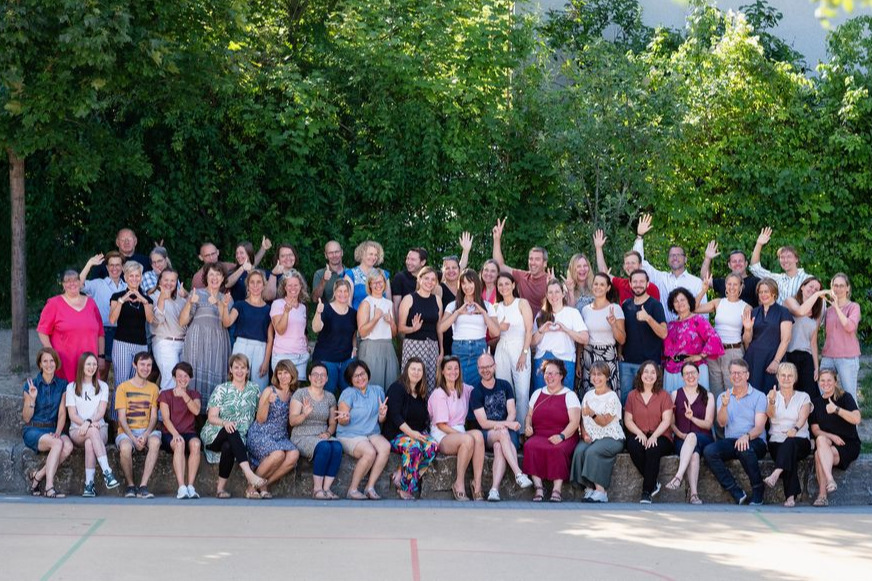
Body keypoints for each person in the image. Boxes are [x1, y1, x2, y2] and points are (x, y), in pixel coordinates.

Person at [200, 354, 267, 498]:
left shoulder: (254, 389)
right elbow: (211, 417)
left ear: (248, 370)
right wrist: (225, 422)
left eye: (243, 367)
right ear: (230, 370)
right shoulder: (222, 389)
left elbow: (260, 413)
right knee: (231, 430)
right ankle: (250, 475)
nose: (239, 371)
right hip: (215, 433)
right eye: (236, 367)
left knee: (229, 446)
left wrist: (268, 401)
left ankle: (220, 489)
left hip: (237, 438)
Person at [703, 359, 768, 505]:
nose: (736, 376)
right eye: (733, 373)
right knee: (709, 451)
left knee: (745, 449)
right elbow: (721, 423)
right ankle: (735, 490)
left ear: (747, 375)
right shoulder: (723, 396)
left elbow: (759, 427)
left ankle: (758, 490)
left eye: (739, 373)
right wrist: (724, 406)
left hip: (754, 440)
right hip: (732, 440)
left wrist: (747, 436)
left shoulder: (759, 396)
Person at [470, 353, 533, 501]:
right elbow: (483, 423)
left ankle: (494, 490)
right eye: (482, 367)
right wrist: (507, 425)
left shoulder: (505, 385)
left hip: (506, 434)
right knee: (501, 433)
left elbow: (512, 412)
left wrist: (506, 424)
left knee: (499, 446)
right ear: (478, 369)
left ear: (495, 366)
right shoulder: (476, 392)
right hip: (488, 434)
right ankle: (518, 473)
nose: (486, 370)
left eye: (489, 366)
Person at [428, 357, 488, 501]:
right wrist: (463, 435)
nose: (453, 372)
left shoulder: (464, 388)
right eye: (449, 368)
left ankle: (477, 484)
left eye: (456, 368)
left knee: (478, 436)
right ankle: (459, 483)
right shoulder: (439, 393)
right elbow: (441, 425)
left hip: (459, 432)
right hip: (442, 435)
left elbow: (481, 390)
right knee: (468, 439)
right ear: (442, 371)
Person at [524, 359, 582, 503]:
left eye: (553, 374)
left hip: (565, 434)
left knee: (558, 449)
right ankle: (538, 488)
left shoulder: (570, 395)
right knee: (530, 446)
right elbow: (529, 415)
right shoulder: (537, 393)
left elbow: (575, 422)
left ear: (561, 375)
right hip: (540, 434)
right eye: (546, 373)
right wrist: (528, 426)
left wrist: (561, 436)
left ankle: (557, 489)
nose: (549, 376)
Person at [383, 358, 439, 500]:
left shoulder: (420, 393)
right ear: (406, 370)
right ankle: (405, 489)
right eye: (413, 369)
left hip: (414, 434)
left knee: (432, 446)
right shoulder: (397, 388)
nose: (416, 372)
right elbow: (395, 416)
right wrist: (412, 434)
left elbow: (421, 421)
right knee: (414, 447)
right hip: (396, 435)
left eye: (419, 370)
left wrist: (420, 435)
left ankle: (402, 472)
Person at [65, 352, 120, 497]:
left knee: (91, 441)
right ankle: (107, 472)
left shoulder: (103, 386)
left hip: (99, 428)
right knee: (91, 434)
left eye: (94, 364)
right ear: (82, 365)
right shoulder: (71, 387)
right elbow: (72, 415)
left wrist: (89, 423)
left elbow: (101, 412)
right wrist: (85, 424)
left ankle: (89, 486)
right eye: (88, 364)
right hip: (77, 430)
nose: (92, 367)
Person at [22, 348, 74, 498]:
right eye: (45, 361)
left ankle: (37, 476)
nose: (49, 364)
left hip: (53, 428)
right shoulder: (31, 385)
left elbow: (62, 412)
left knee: (68, 445)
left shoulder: (63, 385)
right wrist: (32, 398)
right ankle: (49, 487)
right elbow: (26, 418)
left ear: (56, 363)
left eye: (52, 361)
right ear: (40, 364)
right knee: (58, 444)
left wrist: (58, 432)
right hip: (34, 430)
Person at [633, 214, 706, 321]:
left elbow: (704, 314)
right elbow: (639, 262)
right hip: (664, 332)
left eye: (678, 255)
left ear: (685, 259)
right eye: (672, 255)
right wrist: (639, 236)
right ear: (668, 259)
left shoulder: (696, 282)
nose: (675, 258)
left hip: (689, 335)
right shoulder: (660, 278)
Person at [37, 269, 105, 382]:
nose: (72, 283)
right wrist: (51, 355)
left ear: (80, 282)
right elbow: (42, 331)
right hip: (64, 362)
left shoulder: (91, 303)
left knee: (88, 394)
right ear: (63, 285)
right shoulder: (54, 303)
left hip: (89, 363)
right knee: (66, 396)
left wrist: (101, 357)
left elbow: (100, 333)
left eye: (75, 280)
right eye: (68, 281)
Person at [570, 361, 624, 503]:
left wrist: (592, 413)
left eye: (599, 374)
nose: (596, 378)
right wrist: (584, 433)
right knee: (579, 451)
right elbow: (582, 419)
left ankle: (601, 491)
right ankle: (589, 487)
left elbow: (605, 421)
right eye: (593, 374)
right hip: (592, 436)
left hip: (611, 437)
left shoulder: (612, 397)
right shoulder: (588, 395)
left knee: (592, 452)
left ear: (607, 377)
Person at [246, 359, 300, 499]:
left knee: (294, 454)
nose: (282, 376)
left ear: (292, 374)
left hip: (280, 436)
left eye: (286, 373)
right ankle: (251, 486)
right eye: (280, 373)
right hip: (260, 433)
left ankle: (263, 484)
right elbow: (260, 419)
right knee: (278, 455)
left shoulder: (294, 394)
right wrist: (266, 402)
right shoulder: (270, 390)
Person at [336, 361, 391, 500]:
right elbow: (342, 420)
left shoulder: (377, 391)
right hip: (350, 434)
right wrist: (344, 418)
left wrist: (382, 415)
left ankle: (369, 487)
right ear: (350, 379)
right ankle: (352, 489)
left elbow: (380, 420)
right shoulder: (348, 393)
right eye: (355, 376)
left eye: (362, 374)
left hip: (372, 432)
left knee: (385, 447)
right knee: (370, 452)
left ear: (368, 374)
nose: (360, 378)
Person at [180, 264, 232, 406]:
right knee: (194, 373)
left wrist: (222, 305)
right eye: (211, 275)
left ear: (223, 278)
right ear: (206, 278)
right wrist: (189, 303)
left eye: (218, 275)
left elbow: (226, 323)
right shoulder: (197, 293)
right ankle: (192, 415)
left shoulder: (226, 298)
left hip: (218, 342)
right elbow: (182, 321)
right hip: (197, 340)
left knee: (215, 375)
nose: (214, 278)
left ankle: (211, 415)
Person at [694, 273, 751, 405]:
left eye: (735, 284)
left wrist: (747, 329)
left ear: (741, 286)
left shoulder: (746, 307)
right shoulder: (718, 302)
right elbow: (694, 308)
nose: (732, 287)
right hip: (714, 352)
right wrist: (704, 289)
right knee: (715, 392)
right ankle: (717, 425)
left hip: (733, 352)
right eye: (729, 284)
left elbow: (747, 339)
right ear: (725, 285)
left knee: (732, 391)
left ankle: (733, 424)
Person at [289, 362, 343, 499]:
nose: (319, 377)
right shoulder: (300, 394)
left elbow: (332, 423)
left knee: (337, 447)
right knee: (324, 447)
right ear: (309, 376)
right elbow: (292, 421)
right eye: (315, 374)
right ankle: (317, 489)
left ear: (326, 379)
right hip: (302, 434)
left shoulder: (330, 397)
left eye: (322, 375)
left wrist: (328, 433)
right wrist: (304, 414)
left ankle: (326, 489)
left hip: (322, 434)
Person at [810, 368, 861, 506]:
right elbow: (815, 430)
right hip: (828, 443)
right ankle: (830, 479)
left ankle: (822, 495)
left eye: (829, 380)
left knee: (818, 455)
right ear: (818, 382)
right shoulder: (816, 403)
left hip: (848, 443)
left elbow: (856, 419)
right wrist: (831, 436)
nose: (825, 383)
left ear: (835, 382)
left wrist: (837, 410)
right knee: (820, 440)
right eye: (822, 380)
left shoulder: (845, 397)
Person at [763, 363, 812, 508]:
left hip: (800, 440)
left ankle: (776, 473)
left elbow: (803, 417)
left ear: (795, 378)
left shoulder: (803, 397)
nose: (786, 378)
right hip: (776, 441)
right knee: (788, 453)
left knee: (790, 444)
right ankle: (790, 497)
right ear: (777, 377)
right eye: (783, 375)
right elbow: (769, 415)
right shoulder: (772, 396)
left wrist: (795, 429)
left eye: (790, 375)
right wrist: (771, 401)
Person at [439, 269, 500, 386]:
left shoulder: (487, 306)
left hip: (479, 348)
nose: (466, 286)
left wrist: (482, 311)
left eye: (470, 282)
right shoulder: (453, 305)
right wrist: (458, 312)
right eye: (463, 283)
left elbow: (496, 332)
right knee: (459, 385)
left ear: (476, 284)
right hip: (459, 348)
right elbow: (441, 328)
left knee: (478, 386)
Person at [624, 362, 674, 503]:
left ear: (657, 375)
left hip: (661, 435)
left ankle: (647, 491)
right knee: (633, 446)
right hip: (639, 432)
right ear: (640, 375)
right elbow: (628, 420)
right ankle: (654, 483)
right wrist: (639, 433)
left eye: (653, 372)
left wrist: (654, 436)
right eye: (646, 372)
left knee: (653, 448)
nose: (649, 375)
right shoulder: (632, 396)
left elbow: (666, 420)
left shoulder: (664, 395)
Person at [114, 352, 162, 499]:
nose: (145, 368)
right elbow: (121, 418)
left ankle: (143, 486)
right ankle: (130, 485)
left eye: (149, 365)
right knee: (126, 448)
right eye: (142, 364)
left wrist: (145, 434)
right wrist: (134, 439)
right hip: (127, 431)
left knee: (155, 441)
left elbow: (154, 417)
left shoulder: (154, 388)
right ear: (134, 365)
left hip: (146, 430)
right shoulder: (123, 388)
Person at [667, 361, 715, 505]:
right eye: (686, 374)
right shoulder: (675, 394)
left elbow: (708, 423)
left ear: (699, 375)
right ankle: (694, 495)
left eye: (693, 373)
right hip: (682, 439)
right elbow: (671, 422)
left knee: (693, 436)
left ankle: (678, 477)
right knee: (694, 455)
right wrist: (680, 434)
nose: (690, 376)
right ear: (682, 377)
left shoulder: (708, 396)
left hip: (703, 437)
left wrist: (692, 418)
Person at [531, 279, 589, 392]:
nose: (554, 295)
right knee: (541, 397)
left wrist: (566, 330)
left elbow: (585, 339)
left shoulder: (572, 313)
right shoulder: (540, 315)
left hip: (565, 361)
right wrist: (542, 330)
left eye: (557, 291)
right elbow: (532, 343)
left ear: (563, 294)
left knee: (564, 399)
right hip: (542, 361)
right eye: (550, 292)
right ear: (547, 295)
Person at [620, 269, 667, 406]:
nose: (638, 285)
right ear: (630, 283)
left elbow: (664, 333)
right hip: (627, 364)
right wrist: (619, 352)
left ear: (647, 284)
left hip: (650, 365)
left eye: (641, 281)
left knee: (651, 403)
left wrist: (648, 318)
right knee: (626, 403)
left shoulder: (655, 305)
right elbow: (623, 332)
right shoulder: (626, 305)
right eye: (635, 281)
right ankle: (626, 428)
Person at [662, 288, 724, 392]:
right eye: (676, 301)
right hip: (671, 371)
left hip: (693, 369)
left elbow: (713, 338)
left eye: (682, 300)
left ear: (689, 301)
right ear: (672, 305)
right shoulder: (670, 325)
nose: (679, 303)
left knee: (696, 404)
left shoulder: (698, 320)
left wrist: (700, 356)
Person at [158, 362, 203, 499]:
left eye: (186, 376)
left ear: (190, 378)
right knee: (179, 443)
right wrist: (175, 434)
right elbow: (165, 419)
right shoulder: (165, 394)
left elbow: (196, 411)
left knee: (196, 444)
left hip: (189, 432)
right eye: (179, 376)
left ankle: (190, 486)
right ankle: (181, 487)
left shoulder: (194, 394)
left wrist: (184, 395)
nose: (182, 379)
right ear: (173, 377)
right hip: (170, 433)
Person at [494, 272, 534, 426]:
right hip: (502, 348)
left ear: (513, 285)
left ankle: (523, 429)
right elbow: (492, 331)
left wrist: (524, 353)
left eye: (506, 283)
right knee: (504, 390)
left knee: (522, 392)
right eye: (500, 284)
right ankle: (506, 427)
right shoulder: (496, 306)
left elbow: (529, 330)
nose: (503, 287)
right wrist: (499, 327)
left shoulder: (522, 303)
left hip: (520, 347)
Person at [109, 261, 155, 390]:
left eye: (137, 276)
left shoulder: (148, 300)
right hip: (122, 343)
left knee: (138, 383)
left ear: (141, 277)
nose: (134, 279)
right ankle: (116, 411)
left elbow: (150, 320)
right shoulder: (116, 296)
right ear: (125, 277)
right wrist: (122, 301)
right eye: (131, 276)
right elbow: (112, 320)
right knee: (122, 383)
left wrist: (144, 301)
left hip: (141, 344)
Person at [742, 278, 793, 394]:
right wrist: (748, 329)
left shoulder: (783, 312)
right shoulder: (753, 312)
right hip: (753, 359)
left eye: (766, 291)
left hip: (772, 358)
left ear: (773, 293)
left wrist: (776, 361)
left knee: (771, 393)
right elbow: (746, 341)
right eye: (760, 292)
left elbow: (786, 340)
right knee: (752, 393)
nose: (763, 295)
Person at [225, 270, 274, 391]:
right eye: (252, 282)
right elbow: (227, 322)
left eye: (259, 282)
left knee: (260, 386)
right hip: (242, 345)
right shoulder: (240, 304)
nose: (255, 286)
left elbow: (270, 338)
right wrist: (224, 306)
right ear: (248, 285)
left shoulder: (269, 309)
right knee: (237, 382)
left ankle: (258, 410)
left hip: (260, 348)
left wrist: (266, 361)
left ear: (264, 285)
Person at [80, 252, 126, 378]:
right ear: (106, 267)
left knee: (122, 373)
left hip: (122, 332)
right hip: (103, 333)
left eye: (118, 265)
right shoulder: (98, 284)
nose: (114, 268)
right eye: (111, 265)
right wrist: (89, 264)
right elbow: (78, 285)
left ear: (123, 267)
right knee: (101, 371)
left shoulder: (128, 286)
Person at [398, 266, 444, 391]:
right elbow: (400, 327)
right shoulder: (409, 299)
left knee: (431, 382)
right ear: (419, 279)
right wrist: (413, 328)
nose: (430, 282)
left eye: (433, 279)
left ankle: (427, 410)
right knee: (412, 381)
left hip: (432, 347)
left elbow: (439, 327)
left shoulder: (437, 300)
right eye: (426, 278)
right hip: (413, 345)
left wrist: (441, 349)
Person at [492, 218, 550, 317]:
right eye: (530, 259)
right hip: (522, 326)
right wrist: (497, 239)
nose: (533, 262)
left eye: (537, 259)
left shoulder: (550, 280)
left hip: (543, 327)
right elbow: (500, 265)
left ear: (545, 263)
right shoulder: (522, 276)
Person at [580, 273, 625, 396]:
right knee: (589, 394)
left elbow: (622, 340)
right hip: (588, 355)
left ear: (608, 288)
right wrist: (579, 363)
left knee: (608, 395)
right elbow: (582, 337)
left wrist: (613, 324)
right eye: (596, 284)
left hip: (607, 357)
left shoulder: (615, 309)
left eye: (602, 284)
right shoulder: (585, 310)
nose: (598, 287)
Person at [312, 279, 358, 394]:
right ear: (334, 292)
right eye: (339, 291)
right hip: (326, 359)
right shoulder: (326, 309)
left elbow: (354, 334)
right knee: (328, 393)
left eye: (345, 291)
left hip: (346, 359)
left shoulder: (353, 313)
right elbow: (316, 328)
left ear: (349, 293)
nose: (342, 294)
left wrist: (355, 348)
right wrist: (318, 313)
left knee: (348, 393)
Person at [820, 274, 861, 401]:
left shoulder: (854, 307)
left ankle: (853, 421)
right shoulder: (828, 310)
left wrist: (836, 306)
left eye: (842, 285)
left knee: (849, 395)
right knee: (823, 392)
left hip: (847, 357)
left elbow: (849, 327)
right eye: (835, 286)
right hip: (828, 356)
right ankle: (828, 420)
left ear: (847, 288)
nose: (838, 289)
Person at [357, 270, 399, 390]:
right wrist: (375, 318)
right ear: (369, 285)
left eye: (380, 282)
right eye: (374, 282)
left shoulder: (389, 303)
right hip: (371, 347)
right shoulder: (366, 303)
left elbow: (394, 333)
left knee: (390, 385)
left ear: (385, 284)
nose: (378, 285)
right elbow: (362, 332)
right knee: (373, 386)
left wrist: (391, 322)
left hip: (388, 347)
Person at [593, 229, 660, 304]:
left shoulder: (652, 288)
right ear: (624, 267)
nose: (630, 266)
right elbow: (605, 274)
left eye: (633, 263)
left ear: (640, 265)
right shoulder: (622, 284)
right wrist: (598, 248)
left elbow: (656, 314)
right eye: (627, 263)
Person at [782, 277, 824, 397]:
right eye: (811, 286)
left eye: (816, 289)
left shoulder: (817, 312)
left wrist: (817, 367)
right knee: (790, 392)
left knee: (809, 393)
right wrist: (818, 295)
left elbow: (813, 342)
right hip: (789, 355)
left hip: (806, 357)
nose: (813, 290)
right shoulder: (790, 301)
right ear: (802, 287)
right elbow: (800, 311)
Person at [749, 227, 810, 305]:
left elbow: (819, 303)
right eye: (782, 257)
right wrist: (759, 244)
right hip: (779, 317)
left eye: (789, 257)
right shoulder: (777, 279)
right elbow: (755, 268)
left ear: (796, 259)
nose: (785, 260)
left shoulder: (808, 279)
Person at [150, 269, 188, 390]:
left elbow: (188, 320)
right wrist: (161, 299)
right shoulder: (153, 296)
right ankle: (164, 410)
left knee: (182, 382)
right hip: (165, 343)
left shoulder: (180, 298)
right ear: (159, 280)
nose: (169, 283)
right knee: (170, 381)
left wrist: (186, 297)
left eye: (173, 280)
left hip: (183, 343)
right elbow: (158, 320)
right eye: (166, 280)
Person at [269, 270, 310, 381]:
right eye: (290, 285)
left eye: (296, 285)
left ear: (300, 286)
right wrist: (286, 312)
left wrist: (306, 346)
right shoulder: (278, 304)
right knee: (283, 392)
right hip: (283, 355)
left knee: (296, 394)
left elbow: (301, 331)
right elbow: (280, 330)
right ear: (285, 288)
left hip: (301, 356)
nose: (293, 288)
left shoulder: (302, 307)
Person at [700, 241, 759, 307]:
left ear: (746, 264)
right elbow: (705, 279)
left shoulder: (756, 282)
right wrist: (707, 258)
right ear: (729, 265)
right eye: (734, 261)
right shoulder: (724, 282)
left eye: (740, 261)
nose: (737, 264)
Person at [345, 240, 391, 310]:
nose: (373, 257)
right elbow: (348, 304)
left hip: (382, 318)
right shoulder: (351, 275)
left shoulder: (383, 274)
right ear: (362, 254)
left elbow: (389, 300)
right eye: (370, 254)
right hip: (358, 318)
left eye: (376, 255)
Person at [224, 239, 269, 304]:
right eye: (237, 253)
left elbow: (267, 295)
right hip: (238, 310)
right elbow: (227, 284)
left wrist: (263, 248)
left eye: (241, 253)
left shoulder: (261, 272)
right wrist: (242, 268)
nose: (238, 256)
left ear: (249, 254)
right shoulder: (234, 272)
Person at [391, 247, 429, 316]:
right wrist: (397, 325)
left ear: (423, 262)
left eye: (413, 260)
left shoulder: (429, 278)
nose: (408, 262)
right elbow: (396, 306)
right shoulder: (400, 278)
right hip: (406, 322)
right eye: (408, 258)